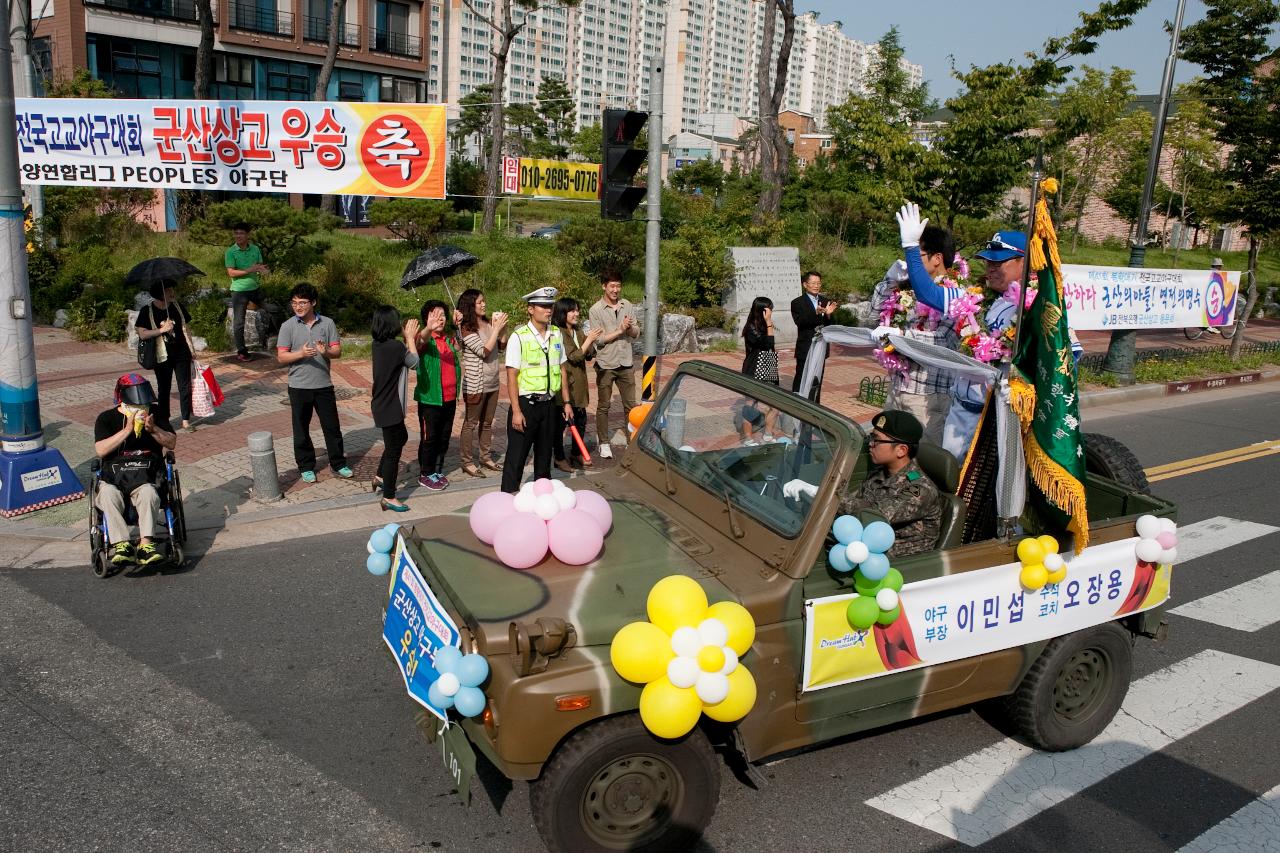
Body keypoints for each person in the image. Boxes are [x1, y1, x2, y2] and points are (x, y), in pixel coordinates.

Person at [897, 203, 1025, 460]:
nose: (990, 268)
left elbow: (1066, 359)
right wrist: (911, 248)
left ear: (1024, 262)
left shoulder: (1036, 306)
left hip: (1000, 418)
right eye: (987, 262)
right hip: (961, 412)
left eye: (998, 263)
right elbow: (928, 293)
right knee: (950, 482)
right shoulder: (975, 298)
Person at [783, 410, 941, 557]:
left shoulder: (920, 489)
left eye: (876, 440)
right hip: (864, 552)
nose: (870, 444)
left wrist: (821, 492)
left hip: (899, 566)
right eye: (871, 437)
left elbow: (875, 515)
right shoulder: (878, 474)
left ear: (901, 450)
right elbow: (854, 503)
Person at [872, 227, 958, 445]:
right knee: (887, 450)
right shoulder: (909, 290)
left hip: (928, 396)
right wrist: (890, 280)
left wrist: (901, 335)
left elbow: (943, 341)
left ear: (937, 258)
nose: (910, 263)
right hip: (898, 386)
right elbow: (874, 314)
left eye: (916, 255)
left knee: (922, 460)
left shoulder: (955, 295)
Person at [93, 374, 177, 567]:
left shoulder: (155, 413)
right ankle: (122, 544)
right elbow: (101, 450)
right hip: (115, 475)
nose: (142, 407)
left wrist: (153, 428)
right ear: (123, 400)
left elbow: (171, 443)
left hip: (147, 475)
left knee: (148, 492)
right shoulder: (106, 418)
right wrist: (127, 430)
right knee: (106, 493)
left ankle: (146, 544)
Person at [276, 283, 352, 483]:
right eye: (294, 303)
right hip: (298, 387)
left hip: (323, 386)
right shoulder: (288, 326)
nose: (298, 307)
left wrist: (325, 351)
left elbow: (337, 351)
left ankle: (339, 463)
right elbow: (281, 357)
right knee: (301, 429)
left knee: (332, 427)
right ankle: (306, 466)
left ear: (313, 303)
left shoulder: (327, 324)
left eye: (302, 303)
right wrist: (300, 353)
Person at [503, 287, 574, 493]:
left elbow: (562, 369)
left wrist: (567, 402)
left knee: (544, 459)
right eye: (543, 306)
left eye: (550, 305)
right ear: (530, 309)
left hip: (550, 405)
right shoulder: (519, 336)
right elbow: (511, 375)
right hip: (526, 405)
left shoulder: (556, 334)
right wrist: (516, 411)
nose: (548, 310)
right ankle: (507, 499)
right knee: (516, 458)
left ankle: (542, 502)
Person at [370, 306, 420, 511]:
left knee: (401, 438)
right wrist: (409, 338)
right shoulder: (395, 347)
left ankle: (380, 477)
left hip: (382, 404)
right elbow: (415, 363)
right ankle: (389, 497)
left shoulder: (378, 344)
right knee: (394, 451)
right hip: (389, 406)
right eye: (398, 321)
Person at [455, 288, 508, 477]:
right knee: (471, 423)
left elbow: (501, 347)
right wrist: (496, 330)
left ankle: (485, 457)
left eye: (484, 301)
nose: (484, 304)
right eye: (480, 302)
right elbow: (483, 351)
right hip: (476, 383)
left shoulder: (487, 324)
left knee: (487, 423)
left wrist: (503, 328)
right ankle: (466, 461)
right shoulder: (466, 328)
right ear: (470, 305)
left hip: (493, 382)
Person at [588, 272, 641, 459]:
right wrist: (620, 330)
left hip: (626, 361)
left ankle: (632, 440)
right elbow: (599, 340)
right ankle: (603, 442)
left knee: (631, 406)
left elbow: (636, 333)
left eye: (618, 286)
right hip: (606, 363)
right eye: (612, 286)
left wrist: (629, 328)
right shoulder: (595, 310)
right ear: (604, 286)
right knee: (603, 406)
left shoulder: (627, 305)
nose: (615, 290)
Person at [134, 278, 197, 432]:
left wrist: (192, 349)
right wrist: (161, 330)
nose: (172, 293)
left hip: (181, 352)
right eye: (168, 290)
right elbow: (142, 334)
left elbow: (185, 328)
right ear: (160, 294)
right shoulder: (147, 311)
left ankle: (185, 420)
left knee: (185, 386)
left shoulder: (177, 307)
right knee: (164, 388)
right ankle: (164, 420)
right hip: (161, 355)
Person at [413, 300, 461, 492]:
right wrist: (428, 328)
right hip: (430, 399)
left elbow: (462, 345)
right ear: (426, 319)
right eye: (435, 315)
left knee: (444, 436)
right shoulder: (425, 339)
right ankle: (425, 473)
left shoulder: (448, 339)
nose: (440, 319)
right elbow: (418, 343)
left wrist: (457, 325)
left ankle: (437, 470)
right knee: (430, 437)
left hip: (449, 397)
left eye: (442, 315)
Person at [553, 297, 602, 472]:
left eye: (577, 310)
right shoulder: (558, 332)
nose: (576, 314)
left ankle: (576, 453)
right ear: (562, 313)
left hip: (579, 386)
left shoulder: (578, 331)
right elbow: (573, 356)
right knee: (561, 425)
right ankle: (559, 458)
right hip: (565, 386)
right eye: (572, 310)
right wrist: (588, 340)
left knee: (580, 421)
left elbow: (589, 354)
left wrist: (589, 340)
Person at [224, 222, 269, 362]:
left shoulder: (255, 249)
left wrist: (264, 271)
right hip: (239, 291)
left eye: (241, 233)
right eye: (236, 233)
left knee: (273, 309)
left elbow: (260, 266)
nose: (238, 236)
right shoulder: (231, 252)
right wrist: (249, 270)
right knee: (239, 323)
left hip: (255, 289)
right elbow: (231, 273)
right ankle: (242, 351)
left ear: (247, 235)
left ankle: (280, 341)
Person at [790, 270, 837, 393]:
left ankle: (814, 405)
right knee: (801, 377)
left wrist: (828, 315)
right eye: (813, 283)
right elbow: (800, 322)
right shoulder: (797, 302)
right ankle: (795, 405)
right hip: (805, 346)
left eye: (819, 283)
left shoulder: (826, 301)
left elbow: (831, 325)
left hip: (821, 346)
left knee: (817, 380)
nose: (816, 286)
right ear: (805, 284)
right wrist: (815, 313)